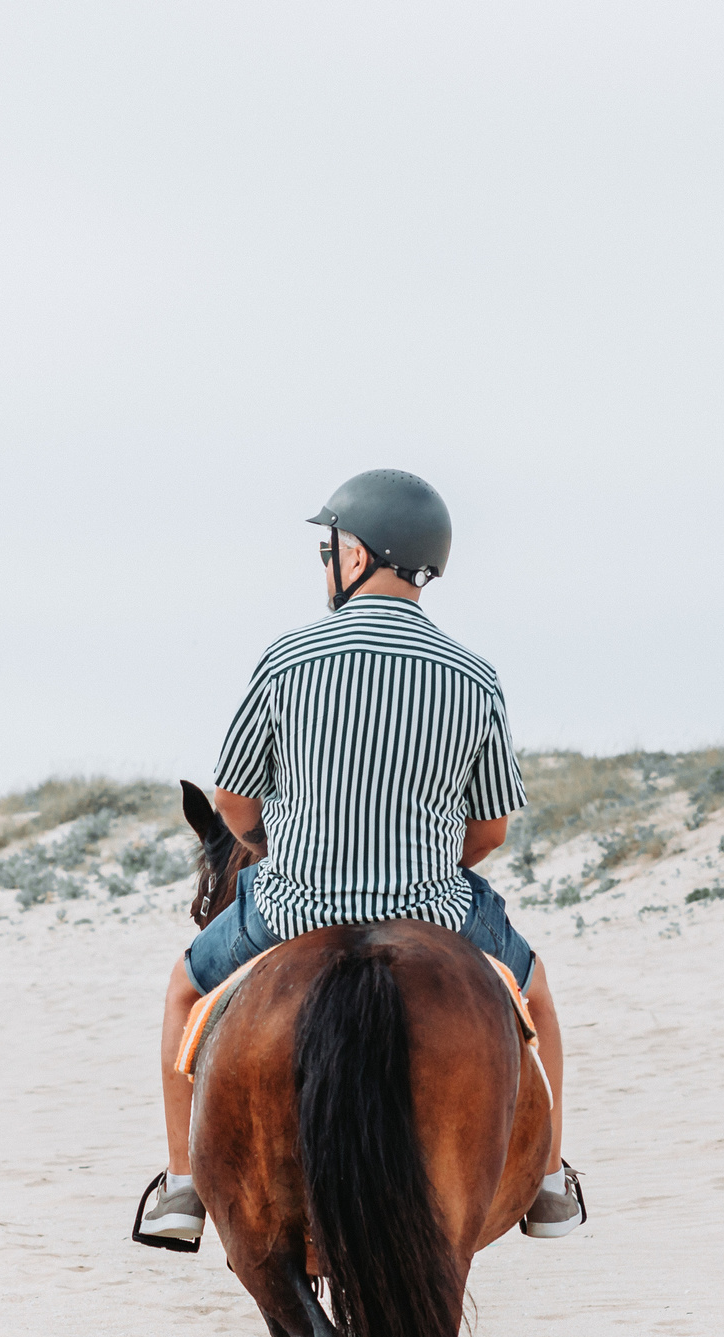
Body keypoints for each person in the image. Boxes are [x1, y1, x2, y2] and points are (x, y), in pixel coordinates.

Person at [133, 470, 584, 1250]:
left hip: (296, 901)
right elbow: (491, 833)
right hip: (435, 908)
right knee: (536, 996)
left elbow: (233, 803)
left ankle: (180, 1188)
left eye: (330, 547)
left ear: (358, 552)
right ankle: (546, 1183)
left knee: (181, 992)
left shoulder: (288, 657)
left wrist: (289, 848)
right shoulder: (475, 675)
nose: (328, 560)